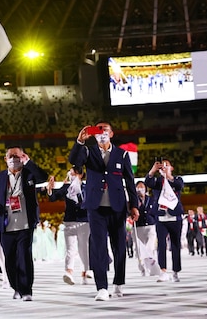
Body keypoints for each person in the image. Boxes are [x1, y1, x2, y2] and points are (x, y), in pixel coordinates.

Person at [68, 122, 139, 301]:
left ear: (112, 134)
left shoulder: (121, 154)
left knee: (119, 246)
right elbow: (74, 161)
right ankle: (101, 287)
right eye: (98, 130)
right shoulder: (88, 151)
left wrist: (134, 205)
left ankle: (119, 282)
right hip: (96, 206)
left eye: (105, 130)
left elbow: (130, 181)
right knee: (98, 247)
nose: (102, 133)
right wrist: (80, 141)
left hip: (117, 206)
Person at [0, 147, 46, 301]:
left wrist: (28, 162)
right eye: (11, 156)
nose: (14, 158)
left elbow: (43, 177)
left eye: (17, 156)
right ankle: (16, 287)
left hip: (25, 223)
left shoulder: (29, 174)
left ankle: (26, 289)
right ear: (5, 159)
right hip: (6, 224)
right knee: (9, 259)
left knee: (24, 256)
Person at [47, 169, 91, 285]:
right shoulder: (66, 187)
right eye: (69, 172)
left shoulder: (86, 187)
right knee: (70, 249)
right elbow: (53, 198)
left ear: (80, 175)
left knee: (83, 249)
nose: (70, 174)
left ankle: (85, 272)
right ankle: (69, 272)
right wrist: (50, 189)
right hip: (69, 221)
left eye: (73, 173)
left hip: (84, 222)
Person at [145, 158, 184, 282]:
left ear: (171, 168)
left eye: (167, 165)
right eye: (163, 166)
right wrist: (153, 170)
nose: (164, 167)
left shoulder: (177, 179)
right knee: (161, 244)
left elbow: (179, 186)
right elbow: (148, 182)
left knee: (175, 244)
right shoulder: (157, 181)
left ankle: (176, 271)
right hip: (161, 217)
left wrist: (169, 176)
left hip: (175, 217)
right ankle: (163, 271)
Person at [133, 181, 159, 277]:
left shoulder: (151, 199)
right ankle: (142, 267)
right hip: (138, 226)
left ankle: (151, 267)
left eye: (142, 187)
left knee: (150, 247)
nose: (140, 189)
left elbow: (155, 211)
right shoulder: (134, 200)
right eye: (138, 187)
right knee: (139, 249)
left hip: (150, 225)